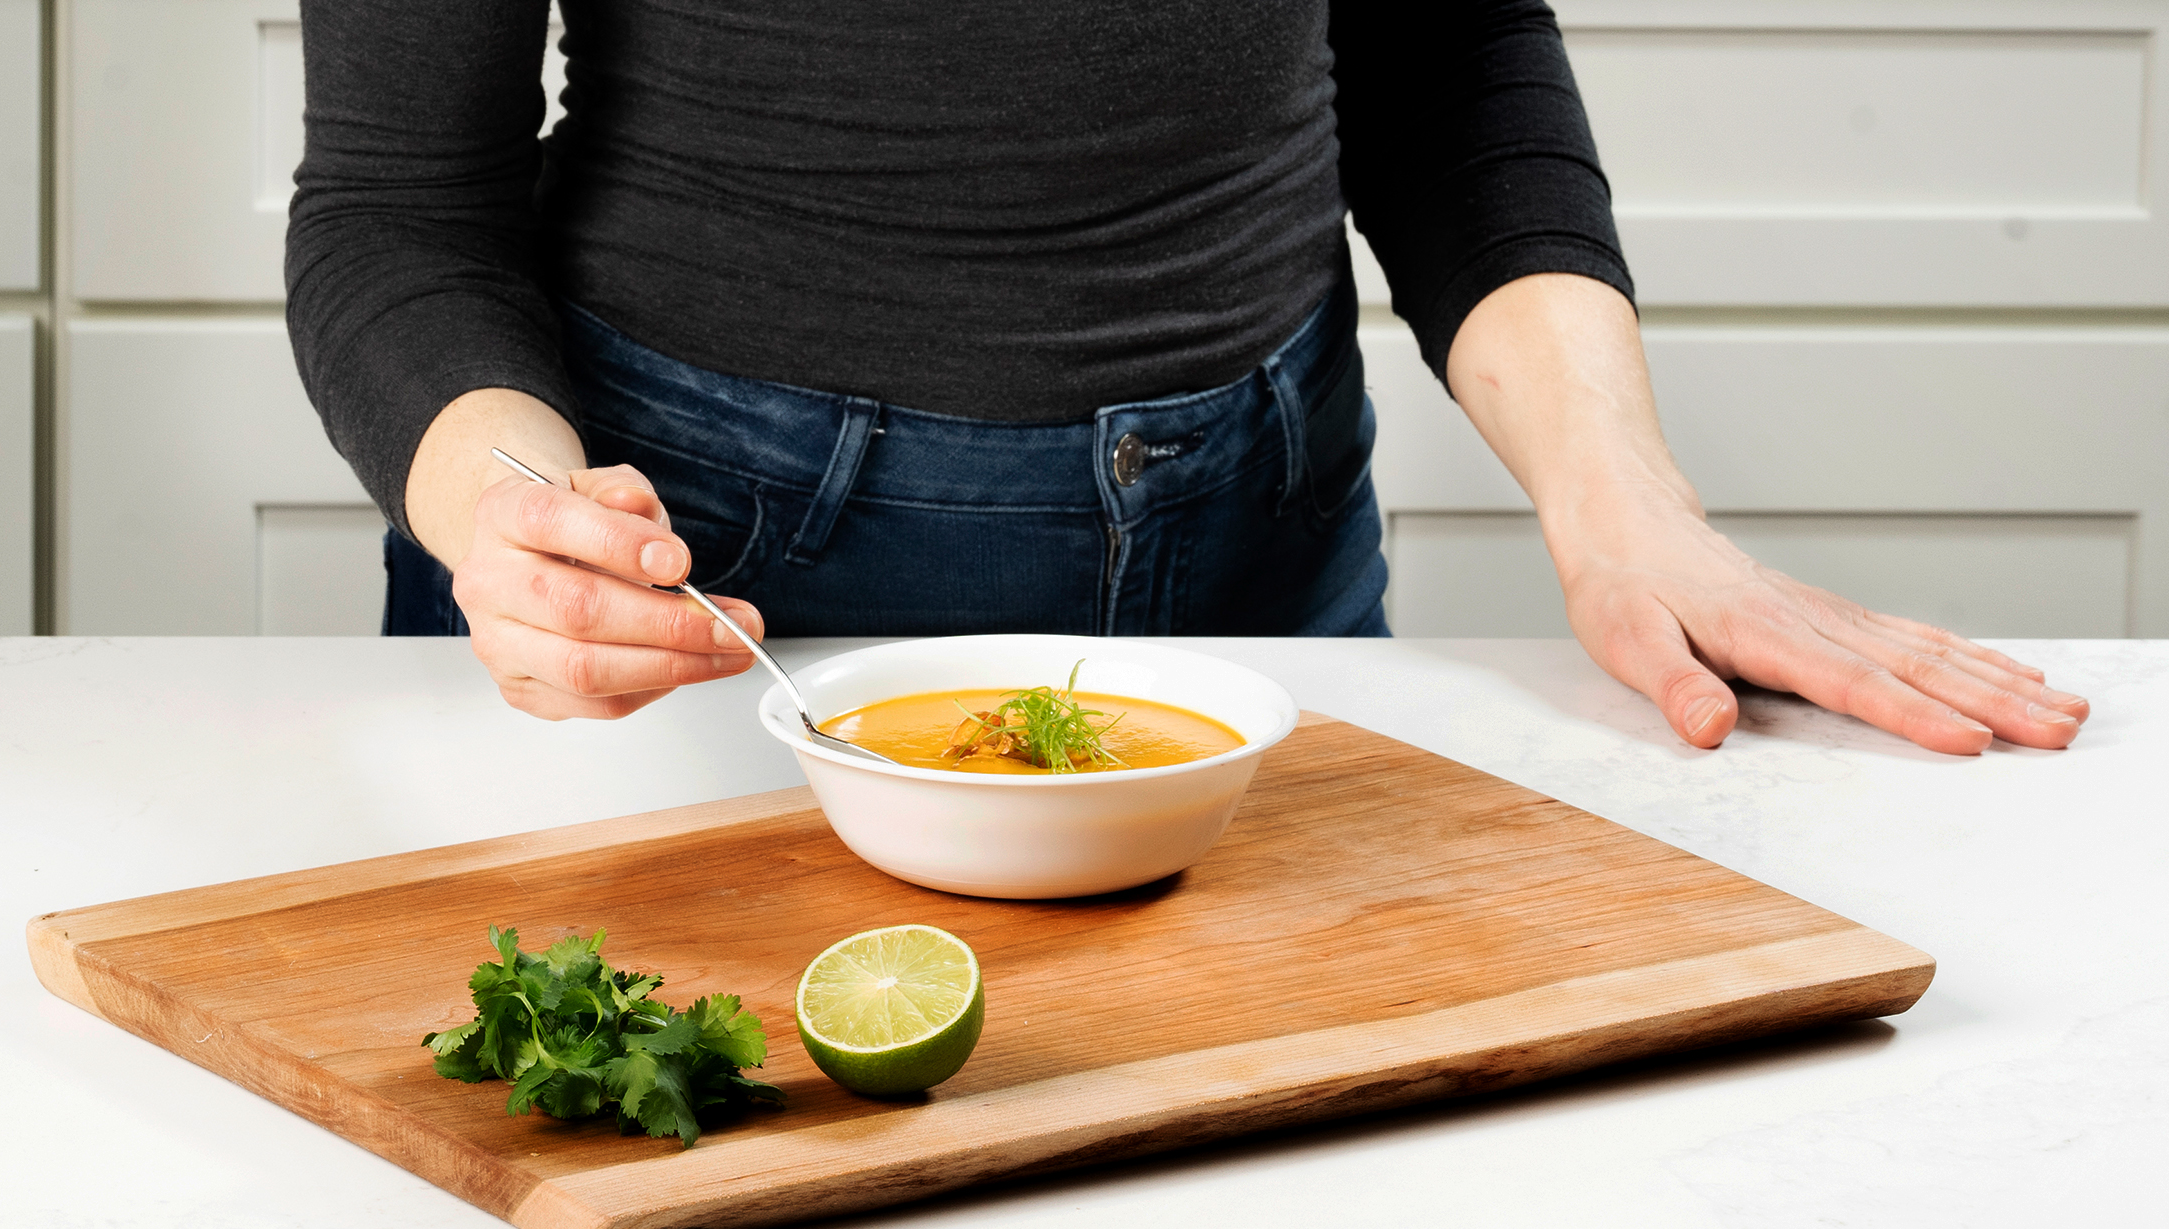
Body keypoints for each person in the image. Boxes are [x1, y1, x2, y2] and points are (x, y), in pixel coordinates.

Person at [286, 0, 2087, 753]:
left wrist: (1626, 504)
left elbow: (1443, 61)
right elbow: (396, 205)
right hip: (704, 586)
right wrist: (515, 522)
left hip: (1263, 539)